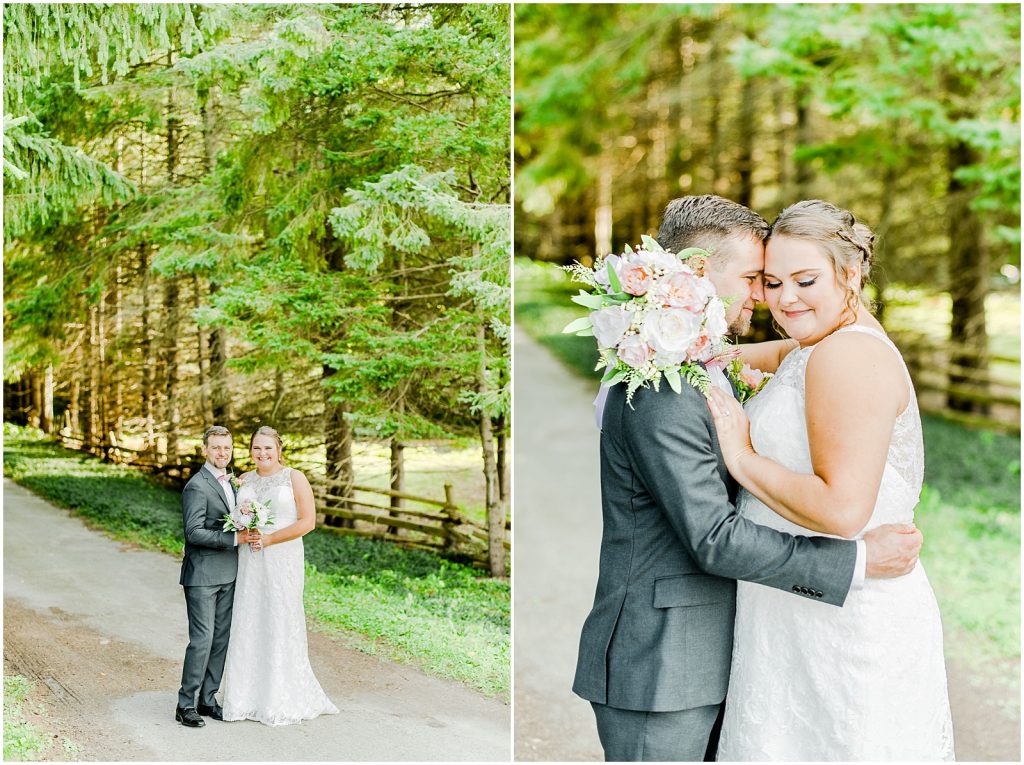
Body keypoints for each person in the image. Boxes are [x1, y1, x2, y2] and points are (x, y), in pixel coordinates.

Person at [572, 195, 924, 762]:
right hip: (665, 659)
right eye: (760, 279)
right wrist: (640, 355)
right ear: (698, 274)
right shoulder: (660, 385)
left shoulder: (814, 354)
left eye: (796, 280)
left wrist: (738, 444)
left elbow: (808, 353)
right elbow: (713, 536)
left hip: (761, 635)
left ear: (850, 273)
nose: (771, 298)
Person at [707, 200, 954, 760]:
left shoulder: (848, 357)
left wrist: (742, 456)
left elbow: (843, 509)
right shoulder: (814, 345)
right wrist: (658, 331)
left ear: (852, 273)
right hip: (800, 612)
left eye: (805, 279)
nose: (785, 299)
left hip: (844, 626)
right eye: (771, 282)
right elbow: (728, 355)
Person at [220, 426, 338, 726]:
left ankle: (280, 697)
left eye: (267, 449)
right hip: (250, 559)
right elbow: (235, 519)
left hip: (282, 556)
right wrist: (244, 528)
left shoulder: (294, 477)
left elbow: (308, 521)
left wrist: (271, 539)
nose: (262, 454)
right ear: (251, 450)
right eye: (256, 449)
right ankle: (245, 698)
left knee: (280, 617)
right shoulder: (243, 479)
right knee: (249, 617)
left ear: (279, 450)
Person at [176, 425, 255, 728]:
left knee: (221, 638)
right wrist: (235, 540)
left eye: (227, 448)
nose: (222, 453)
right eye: (216, 448)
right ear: (205, 449)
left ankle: (208, 699)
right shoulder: (197, 485)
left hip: (230, 573)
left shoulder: (233, 482)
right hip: (203, 575)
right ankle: (186, 704)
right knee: (202, 640)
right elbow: (193, 532)